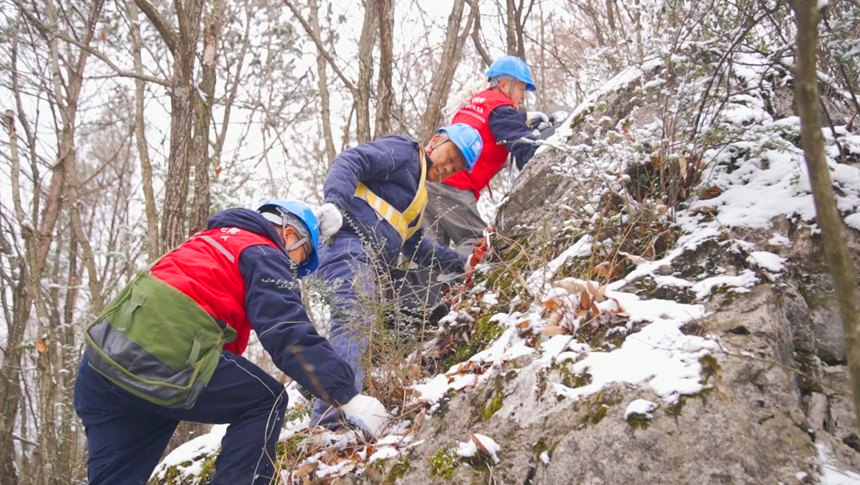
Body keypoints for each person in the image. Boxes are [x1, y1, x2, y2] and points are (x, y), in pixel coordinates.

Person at [74, 200, 388, 485]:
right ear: (290, 235)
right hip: (165, 360)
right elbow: (287, 330)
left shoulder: (203, 241)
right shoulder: (264, 250)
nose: (292, 271)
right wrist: (345, 395)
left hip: (101, 364)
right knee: (265, 401)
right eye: (298, 260)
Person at [309, 124, 482, 428]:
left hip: (365, 261)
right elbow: (351, 160)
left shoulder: (417, 198)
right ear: (436, 140)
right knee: (355, 321)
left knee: (358, 327)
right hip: (348, 244)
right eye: (451, 156)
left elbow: (418, 248)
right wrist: (334, 203)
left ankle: (329, 406)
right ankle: (330, 421)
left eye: (456, 167)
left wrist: (463, 263)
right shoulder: (405, 152)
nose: (448, 167)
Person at [424, 55, 544, 255]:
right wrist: (547, 153)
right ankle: (458, 276)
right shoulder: (501, 110)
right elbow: (524, 146)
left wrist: (525, 118)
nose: (523, 96)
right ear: (504, 84)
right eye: (521, 88)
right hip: (454, 185)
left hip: (429, 180)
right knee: (474, 241)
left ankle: (422, 278)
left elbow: (489, 124)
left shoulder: (473, 102)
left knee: (428, 251)